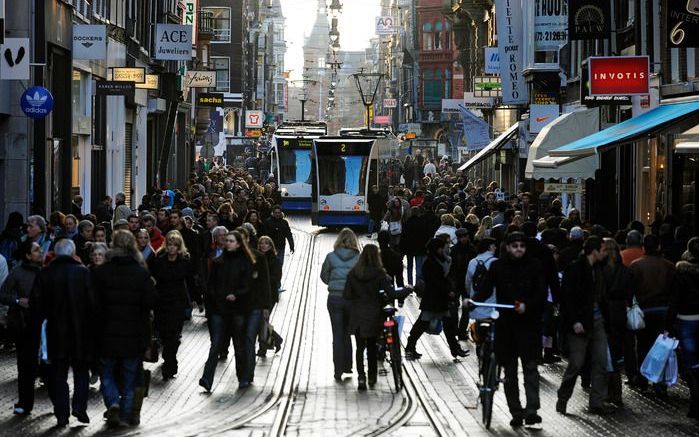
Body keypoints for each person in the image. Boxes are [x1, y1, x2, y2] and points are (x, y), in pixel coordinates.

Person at [474, 232, 547, 428]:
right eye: (514, 246)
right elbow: (486, 288)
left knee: (530, 367)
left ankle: (532, 409)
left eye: (522, 246)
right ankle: (516, 411)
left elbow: (541, 293)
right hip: (506, 325)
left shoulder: (535, 266)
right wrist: (472, 302)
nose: (519, 249)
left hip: (529, 325)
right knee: (510, 370)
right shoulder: (498, 267)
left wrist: (527, 306)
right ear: (507, 247)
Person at [92, 230, 157, 427]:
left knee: (107, 373)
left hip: (106, 333)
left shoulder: (101, 273)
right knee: (130, 376)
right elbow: (151, 302)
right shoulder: (141, 273)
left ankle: (113, 402)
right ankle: (126, 414)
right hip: (133, 334)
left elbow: (92, 304)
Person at [30, 239, 96, 426]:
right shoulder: (83, 273)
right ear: (73, 252)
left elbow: (37, 305)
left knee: (58, 374)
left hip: (55, 332)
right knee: (81, 371)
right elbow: (93, 304)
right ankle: (79, 406)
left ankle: (61, 413)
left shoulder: (46, 273)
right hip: (80, 332)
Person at [556, 236, 614, 416]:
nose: (606, 253)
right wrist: (575, 321)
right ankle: (563, 397)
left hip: (597, 321)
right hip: (580, 322)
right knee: (576, 364)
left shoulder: (599, 269)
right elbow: (567, 298)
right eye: (603, 250)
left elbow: (602, 296)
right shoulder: (575, 269)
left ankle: (597, 402)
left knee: (601, 362)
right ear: (594, 251)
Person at [200, 231, 252, 392]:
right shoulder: (218, 262)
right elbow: (211, 285)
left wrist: (236, 295)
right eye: (226, 240)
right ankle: (207, 379)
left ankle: (243, 377)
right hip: (219, 309)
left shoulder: (245, 263)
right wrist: (216, 299)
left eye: (231, 241)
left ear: (238, 243)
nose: (227, 243)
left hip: (237, 310)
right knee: (215, 345)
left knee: (239, 345)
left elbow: (248, 286)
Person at [405, 238, 469, 360]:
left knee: (445, 326)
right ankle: (410, 346)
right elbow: (435, 281)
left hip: (439, 300)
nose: (444, 249)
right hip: (433, 300)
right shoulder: (430, 263)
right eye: (442, 247)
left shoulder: (441, 260)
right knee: (422, 325)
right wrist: (448, 291)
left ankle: (455, 349)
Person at [343, 245, 396, 391]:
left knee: (359, 347)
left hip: (358, 315)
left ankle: (361, 377)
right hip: (374, 315)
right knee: (372, 347)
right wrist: (408, 289)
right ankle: (372, 376)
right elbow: (391, 293)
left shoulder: (353, 273)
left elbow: (347, 295)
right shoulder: (379, 274)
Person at [0, 241, 42, 415]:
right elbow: (3, 294)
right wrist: (18, 301)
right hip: (24, 324)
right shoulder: (17, 273)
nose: (40, 253)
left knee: (39, 363)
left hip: (42, 322)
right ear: (27, 255)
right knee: (25, 364)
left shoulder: (44, 272)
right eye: (36, 250)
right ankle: (25, 402)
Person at [148, 231, 198, 380]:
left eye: (174, 245)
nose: (171, 248)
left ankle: (170, 363)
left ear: (179, 247)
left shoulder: (184, 261)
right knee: (164, 333)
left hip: (177, 302)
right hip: (161, 301)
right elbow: (151, 279)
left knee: (174, 335)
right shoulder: (158, 260)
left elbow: (190, 280)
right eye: (169, 245)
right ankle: (168, 358)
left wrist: (196, 298)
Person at [627, 234, 675, 390]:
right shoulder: (668, 266)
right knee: (661, 347)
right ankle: (660, 384)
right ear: (659, 246)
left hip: (644, 309)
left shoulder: (635, 265)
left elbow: (631, 290)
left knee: (642, 345)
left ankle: (642, 379)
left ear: (643, 247)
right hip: (663, 310)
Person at [665, 237, 699, 419]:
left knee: (690, 363)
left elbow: (675, 300)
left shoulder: (681, 272)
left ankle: (695, 400)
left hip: (687, 320)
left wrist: (669, 325)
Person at [320, 228, 360, 381]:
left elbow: (324, 276)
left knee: (337, 334)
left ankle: (337, 370)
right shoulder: (358, 257)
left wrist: (333, 282)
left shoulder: (330, 257)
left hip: (335, 298)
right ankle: (348, 365)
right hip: (351, 299)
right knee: (348, 332)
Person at [601, 238, 632, 406]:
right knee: (616, 352)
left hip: (606, 311)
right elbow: (630, 292)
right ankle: (617, 393)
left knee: (605, 352)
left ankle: (608, 392)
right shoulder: (626, 271)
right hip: (620, 312)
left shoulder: (601, 271)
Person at [466, 237, 498, 354]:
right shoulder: (495, 262)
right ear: (490, 247)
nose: (496, 248)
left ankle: (480, 350)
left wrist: (471, 296)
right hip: (493, 302)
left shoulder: (473, 262)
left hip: (477, 302)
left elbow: (468, 282)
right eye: (494, 246)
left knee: (480, 330)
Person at [257, 236, 284, 356]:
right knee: (260, 321)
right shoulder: (256, 259)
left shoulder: (275, 260)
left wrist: (262, 279)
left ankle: (263, 348)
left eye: (266, 243)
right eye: (261, 243)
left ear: (271, 246)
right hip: (257, 294)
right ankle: (276, 339)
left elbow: (277, 277)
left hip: (270, 294)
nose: (263, 245)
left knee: (263, 321)